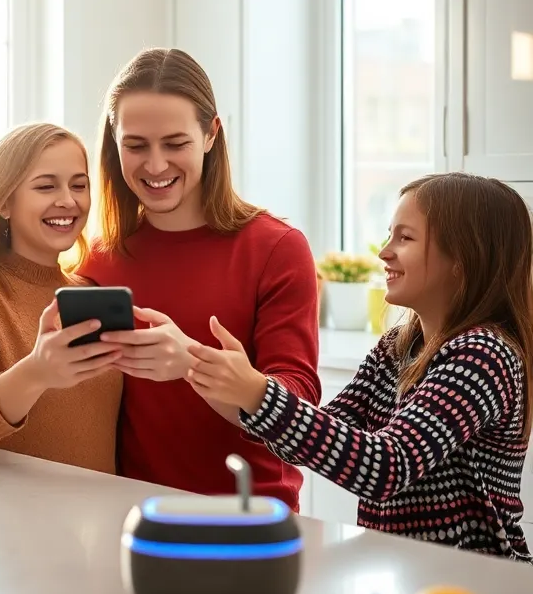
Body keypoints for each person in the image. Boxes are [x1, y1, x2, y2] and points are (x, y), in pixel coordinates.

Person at [187, 173, 533, 560]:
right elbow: (315, 437)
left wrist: (257, 393)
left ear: (464, 257)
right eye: (390, 235)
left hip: (477, 582)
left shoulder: (485, 354)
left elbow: (386, 467)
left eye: (405, 238)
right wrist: (211, 376)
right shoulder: (399, 346)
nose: (384, 252)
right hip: (408, 572)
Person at [82, 48, 320, 506]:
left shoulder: (276, 249)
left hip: (249, 518)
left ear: (211, 134)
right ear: (114, 140)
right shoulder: (99, 258)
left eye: (175, 144)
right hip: (133, 517)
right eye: (136, 145)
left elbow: (301, 407)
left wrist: (191, 364)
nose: (155, 165)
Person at [0, 123, 122, 471]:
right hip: (9, 520)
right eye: (46, 186)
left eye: (79, 185)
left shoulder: (90, 292)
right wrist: (36, 372)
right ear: (4, 202)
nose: (68, 200)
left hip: (98, 517)